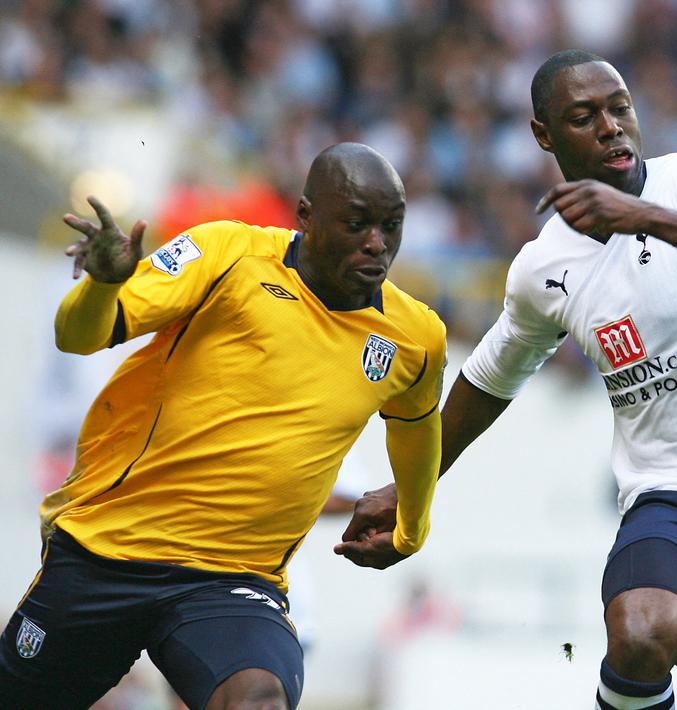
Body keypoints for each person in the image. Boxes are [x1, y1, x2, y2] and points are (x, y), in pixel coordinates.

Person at [336, 50, 677, 709]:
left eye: (619, 108)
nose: (611, 127)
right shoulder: (543, 267)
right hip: (675, 496)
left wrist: (642, 217)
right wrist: (406, 488)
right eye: (584, 117)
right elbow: (489, 380)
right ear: (543, 136)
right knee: (642, 632)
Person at [0, 143, 447, 709]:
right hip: (107, 548)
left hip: (234, 580)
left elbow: (415, 430)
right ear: (306, 217)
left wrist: (413, 524)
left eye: (391, 225)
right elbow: (81, 335)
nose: (377, 244)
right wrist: (102, 285)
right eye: (357, 223)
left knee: (258, 701)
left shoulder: (415, 337)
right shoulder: (227, 253)